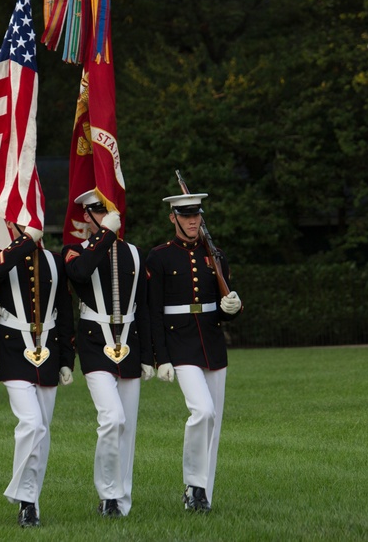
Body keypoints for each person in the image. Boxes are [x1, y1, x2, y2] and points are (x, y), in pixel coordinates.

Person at [145, 192, 244, 513]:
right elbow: (153, 313)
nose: (192, 221)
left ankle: (203, 494)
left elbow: (224, 301)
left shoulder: (214, 254)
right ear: (173, 218)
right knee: (202, 411)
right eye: (185, 216)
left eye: (196, 215)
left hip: (212, 345)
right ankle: (193, 484)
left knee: (214, 423)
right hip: (180, 344)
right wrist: (161, 357)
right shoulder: (159, 257)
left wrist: (233, 308)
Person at [62, 190, 154, 517]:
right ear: (87, 216)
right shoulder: (75, 250)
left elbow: (143, 307)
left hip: (129, 343)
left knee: (126, 425)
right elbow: (81, 273)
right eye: (98, 211)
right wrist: (105, 235)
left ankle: (121, 499)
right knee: (111, 418)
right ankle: (107, 494)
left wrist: (149, 356)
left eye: (109, 210)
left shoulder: (134, 253)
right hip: (94, 343)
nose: (105, 215)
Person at [0, 218, 75, 528]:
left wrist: (66, 360)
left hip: (48, 351)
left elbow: (64, 310)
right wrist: (24, 243)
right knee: (32, 423)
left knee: (43, 430)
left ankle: (30, 502)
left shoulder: (55, 261)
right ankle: (23, 496)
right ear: (10, 224)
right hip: (12, 351)